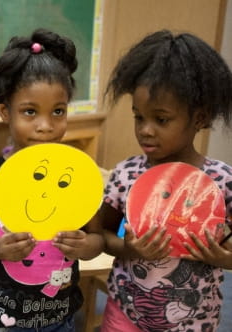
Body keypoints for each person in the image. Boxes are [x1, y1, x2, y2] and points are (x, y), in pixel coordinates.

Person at [0, 28, 105, 331]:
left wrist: (84, 245)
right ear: (4, 111)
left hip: (59, 316)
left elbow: (98, 239)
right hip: (1, 317)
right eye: (30, 112)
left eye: (58, 111)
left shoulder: (77, 174)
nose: (45, 126)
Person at [100, 30, 232, 332]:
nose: (145, 130)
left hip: (193, 322)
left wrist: (222, 257)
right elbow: (102, 236)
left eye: (161, 119)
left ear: (199, 118)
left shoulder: (223, 181)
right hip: (125, 314)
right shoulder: (125, 175)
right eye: (138, 117)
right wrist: (130, 249)